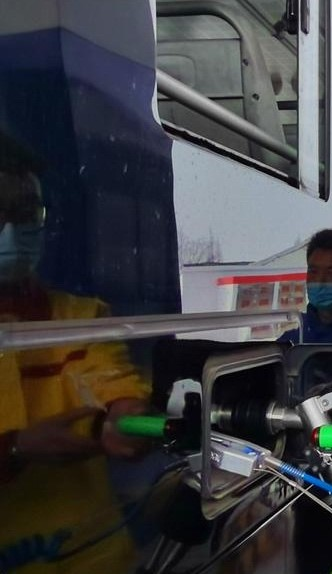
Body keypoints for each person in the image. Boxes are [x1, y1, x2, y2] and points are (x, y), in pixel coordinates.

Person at [0, 134, 150, 573]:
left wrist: (127, 419)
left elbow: (117, 386)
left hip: (96, 558)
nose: (12, 229)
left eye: (27, 212)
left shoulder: (80, 317)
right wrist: (16, 449)